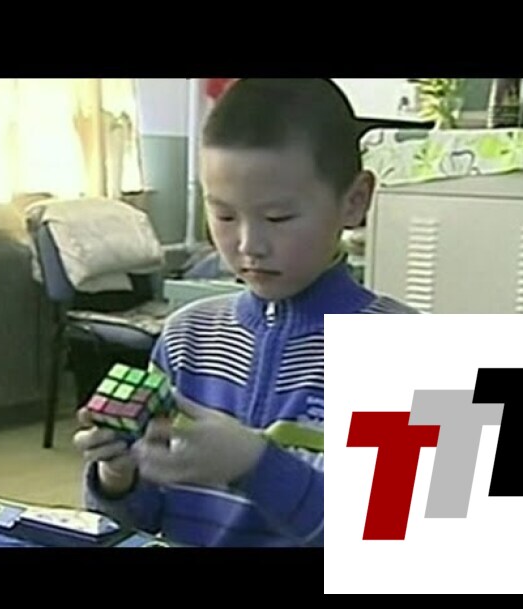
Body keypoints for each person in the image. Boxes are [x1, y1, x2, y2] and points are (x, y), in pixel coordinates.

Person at [73, 79, 418, 548]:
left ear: (354, 201)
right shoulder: (186, 337)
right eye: (224, 216)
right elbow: (140, 518)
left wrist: (255, 464)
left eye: (278, 218)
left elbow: (394, 540)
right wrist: (118, 476)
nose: (249, 245)